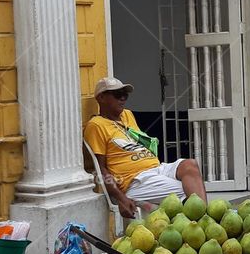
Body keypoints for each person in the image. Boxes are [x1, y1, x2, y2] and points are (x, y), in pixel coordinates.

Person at [84, 77, 207, 219]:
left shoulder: (126, 115)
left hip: (156, 169)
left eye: (125, 94)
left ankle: (203, 221)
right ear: (101, 98)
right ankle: (201, 223)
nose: (123, 98)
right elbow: (101, 169)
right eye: (118, 95)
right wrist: (120, 197)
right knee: (190, 191)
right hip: (135, 180)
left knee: (190, 165)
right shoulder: (96, 125)